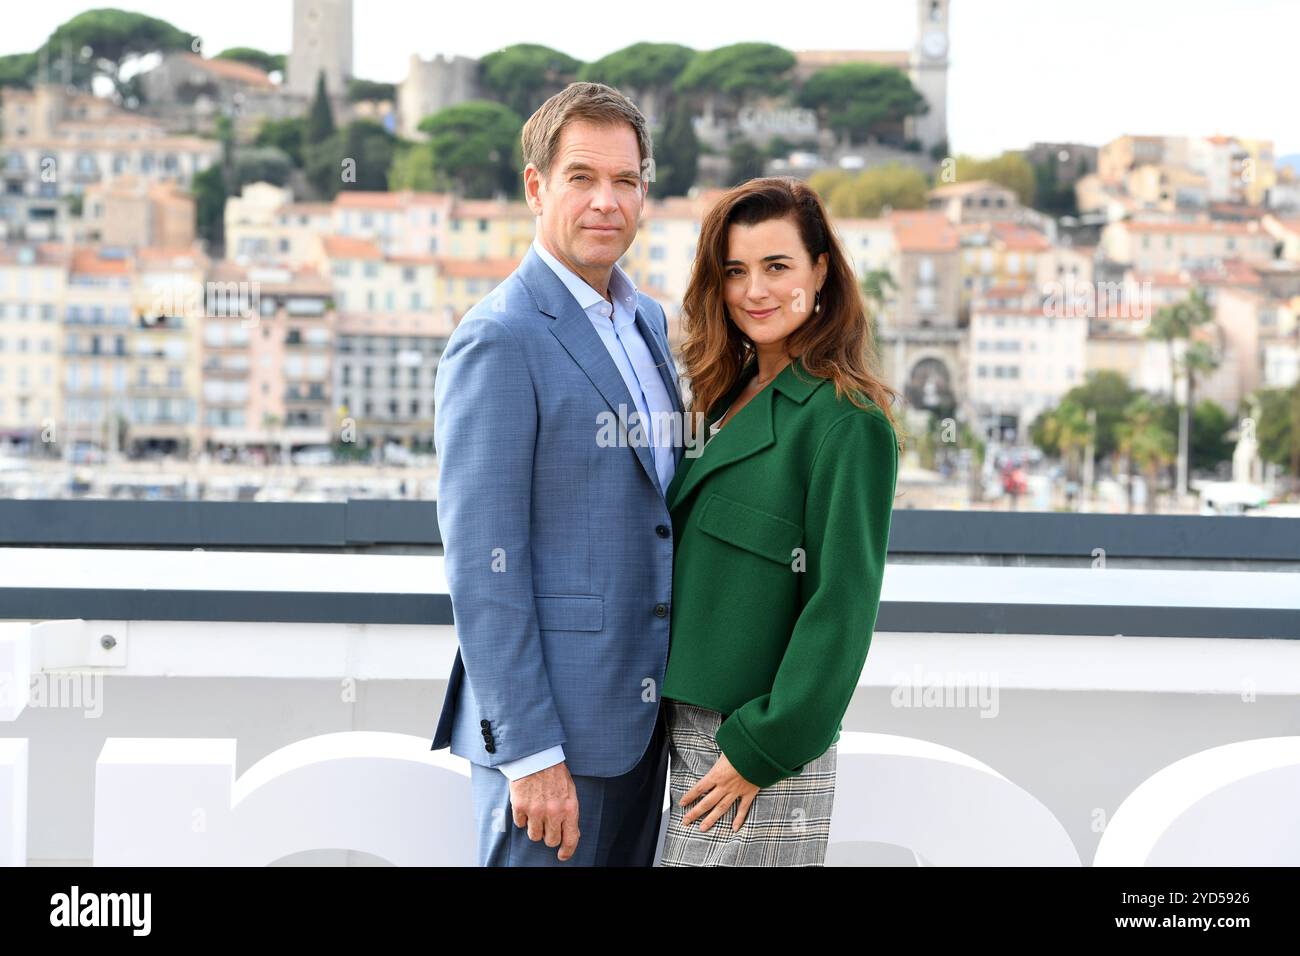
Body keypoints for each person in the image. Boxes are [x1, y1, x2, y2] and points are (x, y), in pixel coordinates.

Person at [431, 83, 683, 866]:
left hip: (639, 736)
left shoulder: (645, 321)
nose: (607, 201)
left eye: (626, 180)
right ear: (537, 186)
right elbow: (482, 565)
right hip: (551, 754)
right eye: (583, 177)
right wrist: (530, 752)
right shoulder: (499, 338)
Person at [658, 176, 904, 866]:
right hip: (684, 734)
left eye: (777, 267)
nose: (754, 291)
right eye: (735, 271)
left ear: (820, 272)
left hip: (754, 749)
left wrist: (760, 750)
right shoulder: (724, 398)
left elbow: (841, 608)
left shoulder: (847, 423)